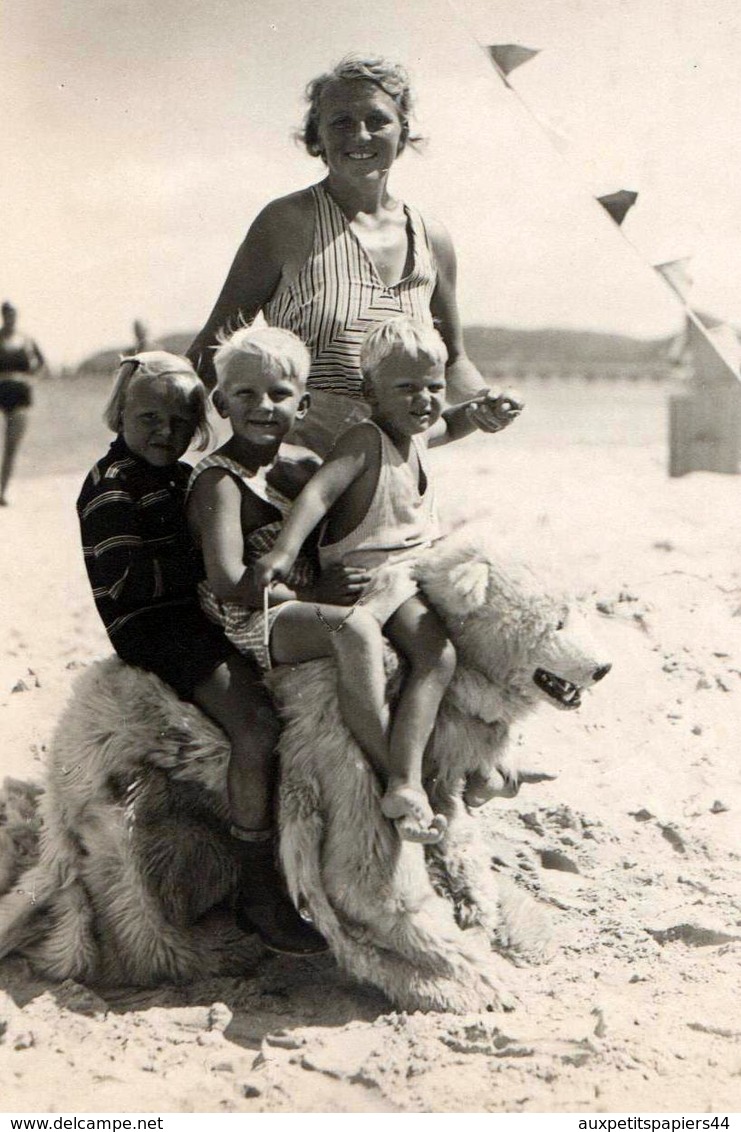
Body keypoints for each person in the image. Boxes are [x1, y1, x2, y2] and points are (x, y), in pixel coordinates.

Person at [76, 349, 326, 955]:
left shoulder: (178, 477)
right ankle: (256, 886)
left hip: (193, 615)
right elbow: (125, 581)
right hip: (156, 628)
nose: (167, 432)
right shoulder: (112, 485)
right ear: (119, 416)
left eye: (180, 422)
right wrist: (217, 567)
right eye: (149, 419)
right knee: (256, 726)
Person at [255, 316, 523, 838]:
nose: (424, 400)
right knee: (437, 654)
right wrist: (285, 551)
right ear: (368, 391)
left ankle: (478, 763)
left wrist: (483, 410)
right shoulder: (365, 439)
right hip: (373, 575)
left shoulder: (416, 434)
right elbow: (319, 494)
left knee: (490, 627)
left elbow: (455, 422)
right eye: (407, 388)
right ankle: (404, 779)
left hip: (411, 570)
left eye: (434, 387)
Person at [187, 54, 522, 456]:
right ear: (317, 138)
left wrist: (487, 402)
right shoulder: (286, 223)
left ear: (402, 132)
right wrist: (146, 444)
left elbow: (451, 363)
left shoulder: (432, 238)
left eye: (377, 120)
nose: (360, 135)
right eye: (341, 122)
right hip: (297, 471)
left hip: (396, 472)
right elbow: (213, 345)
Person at [187, 325, 446, 841]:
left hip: (309, 602)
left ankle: (466, 764)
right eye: (246, 394)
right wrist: (313, 596)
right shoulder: (220, 480)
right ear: (220, 403)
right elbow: (228, 581)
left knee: (433, 626)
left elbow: (380, 461)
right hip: (257, 616)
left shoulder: (301, 464)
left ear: (302, 407)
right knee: (354, 632)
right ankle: (393, 775)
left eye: (280, 394)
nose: (265, 406)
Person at [0, 301, 45, 505]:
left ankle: (2, 491)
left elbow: (42, 364)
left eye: (13, 314)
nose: (10, 318)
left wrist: (31, 379)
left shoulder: (26, 340)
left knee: (11, 446)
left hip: (20, 395)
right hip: (1, 391)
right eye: (7, 314)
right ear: (3, 315)